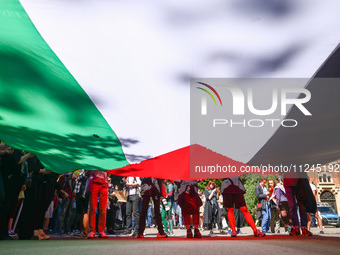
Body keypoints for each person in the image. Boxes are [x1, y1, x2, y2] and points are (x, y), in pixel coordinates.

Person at [284, 172, 315, 236]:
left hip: (299, 181)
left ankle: (303, 228)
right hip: (289, 181)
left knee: (302, 205)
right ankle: (296, 227)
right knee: (292, 206)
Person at [88, 171, 109, 238]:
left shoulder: (107, 160)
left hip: (104, 184)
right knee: (93, 208)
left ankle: (101, 230)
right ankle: (92, 231)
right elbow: (87, 171)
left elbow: (109, 173)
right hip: (94, 182)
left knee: (103, 209)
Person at [73, 170, 90, 239]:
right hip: (79, 191)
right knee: (80, 212)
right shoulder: (82, 169)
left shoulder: (88, 168)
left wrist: (77, 176)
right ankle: (81, 231)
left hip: (83, 191)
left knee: (84, 211)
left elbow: (84, 176)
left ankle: (84, 233)